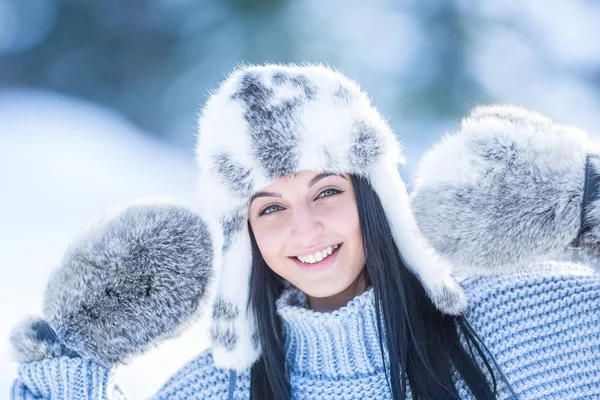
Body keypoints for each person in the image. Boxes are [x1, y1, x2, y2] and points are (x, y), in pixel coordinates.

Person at [11, 64, 597, 400]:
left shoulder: (523, 322)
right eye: (269, 209)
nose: (305, 228)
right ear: (243, 236)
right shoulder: (218, 390)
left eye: (326, 192)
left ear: (374, 197)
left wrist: (586, 208)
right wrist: (67, 356)